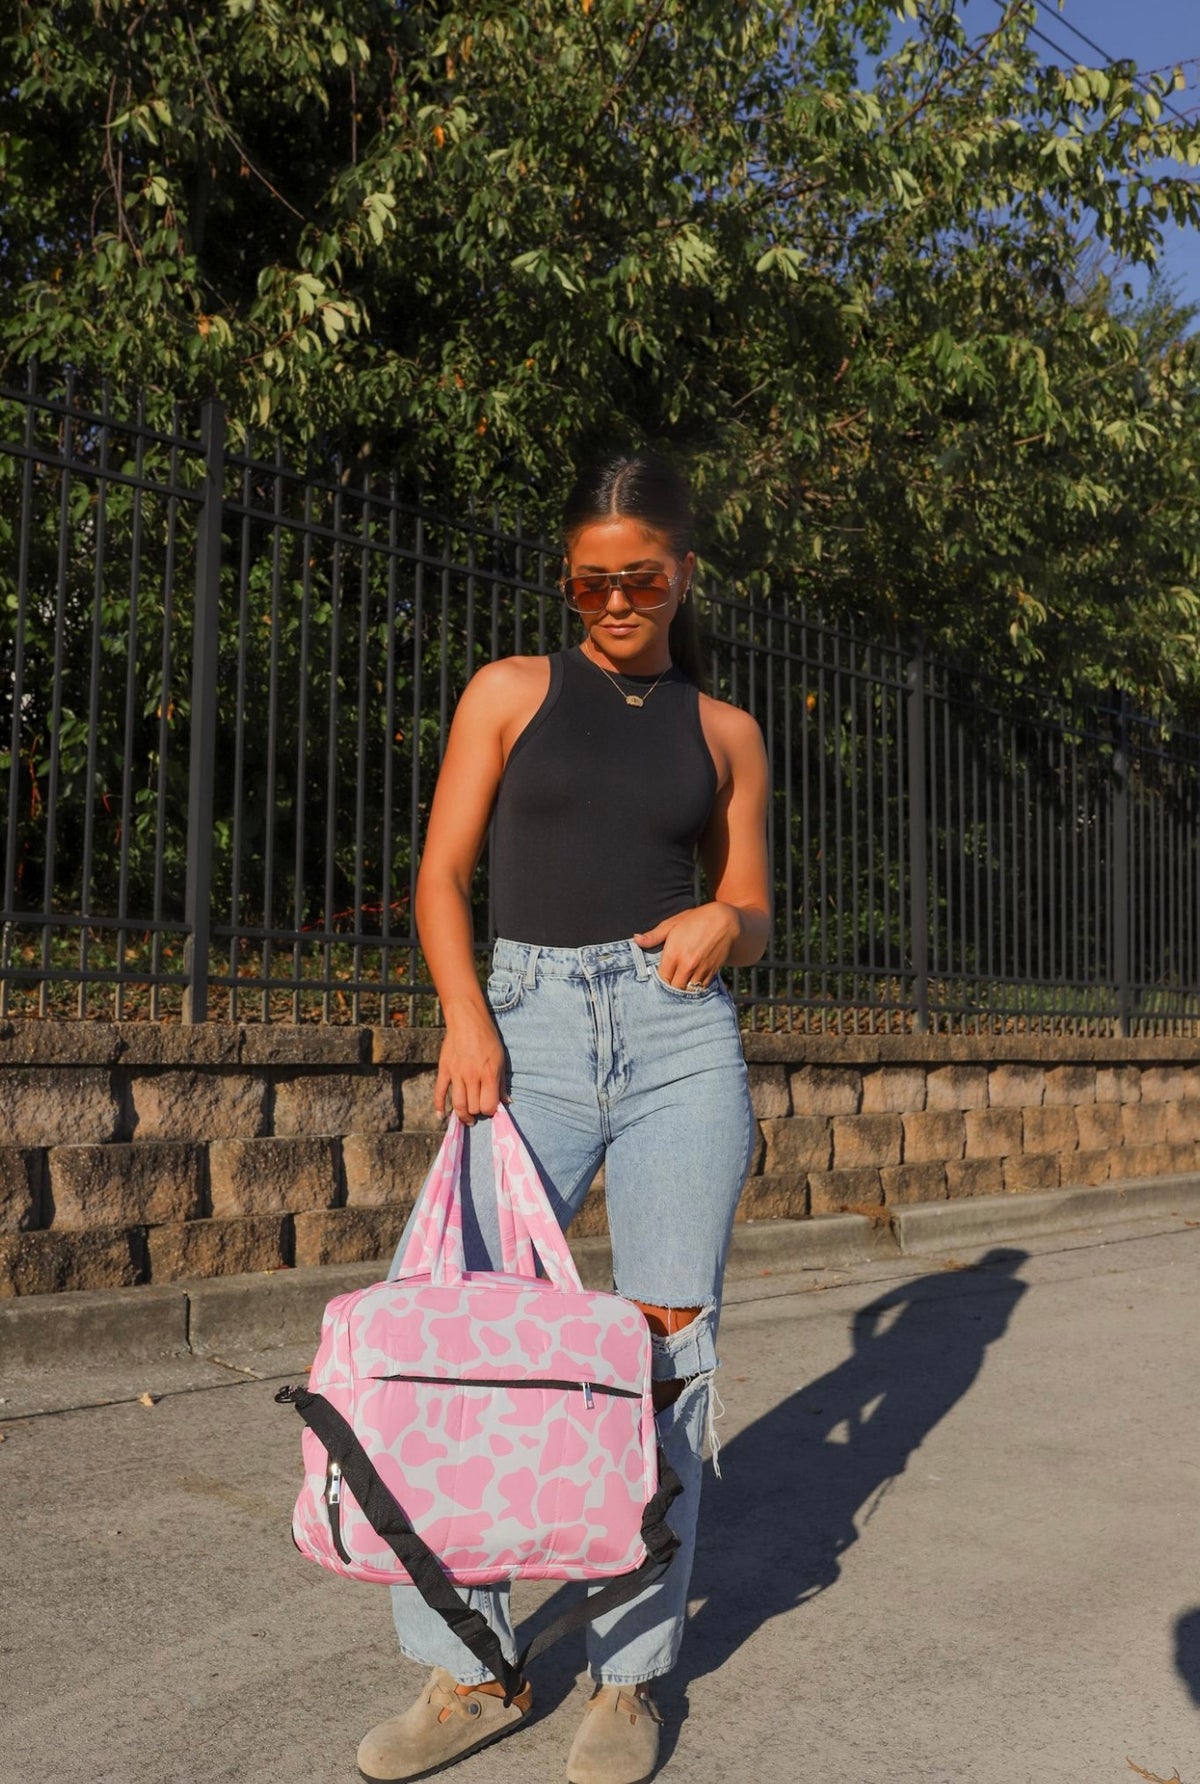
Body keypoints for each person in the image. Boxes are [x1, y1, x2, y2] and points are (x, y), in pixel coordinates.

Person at [357, 452, 770, 1784]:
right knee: (471, 1347)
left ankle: (631, 1677)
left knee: (666, 1358)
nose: (613, 600)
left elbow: (753, 906)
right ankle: (473, 1667)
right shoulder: (509, 692)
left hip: (677, 1043)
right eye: (590, 581)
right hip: (521, 1026)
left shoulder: (725, 731)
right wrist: (465, 1017)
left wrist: (729, 917)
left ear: (682, 574)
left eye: (638, 577)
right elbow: (439, 874)